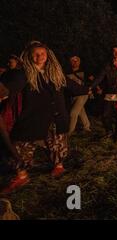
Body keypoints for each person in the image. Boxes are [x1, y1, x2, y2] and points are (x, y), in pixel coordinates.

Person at [1, 41, 88, 194]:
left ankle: (58, 167)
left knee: (58, 143)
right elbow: (10, 87)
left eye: (42, 53)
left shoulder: (56, 72)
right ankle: (21, 175)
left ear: (48, 55)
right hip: (33, 117)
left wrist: (89, 88)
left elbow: (72, 86)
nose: (39, 56)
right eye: (36, 54)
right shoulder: (24, 74)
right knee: (21, 146)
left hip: (57, 116)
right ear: (29, 56)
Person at [66, 56, 91, 135]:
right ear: (70, 62)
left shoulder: (85, 71)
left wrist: (95, 88)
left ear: (79, 62)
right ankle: (86, 127)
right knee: (81, 111)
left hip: (83, 94)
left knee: (73, 113)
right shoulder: (66, 72)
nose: (75, 62)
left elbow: (92, 80)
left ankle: (69, 132)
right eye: (73, 60)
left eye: (77, 60)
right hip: (72, 95)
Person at [0, 55, 23, 133]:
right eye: (8, 62)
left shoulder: (20, 74)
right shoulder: (7, 73)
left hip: (13, 99)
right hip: (6, 100)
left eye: (10, 62)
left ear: (17, 62)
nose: (8, 64)